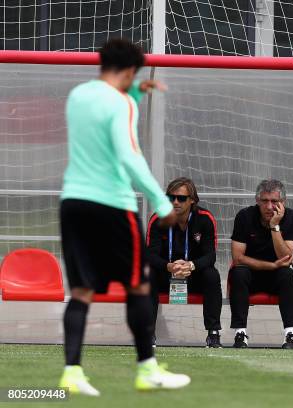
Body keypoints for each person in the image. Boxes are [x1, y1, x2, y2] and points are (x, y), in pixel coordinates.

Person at [59, 39, 190, 396]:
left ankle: (71, 373)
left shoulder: (78, 96)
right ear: (132, 71)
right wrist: (162, 205)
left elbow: (102, 129)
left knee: (82, 291)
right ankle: (146, 369)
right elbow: (128, 154)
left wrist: (133, 94)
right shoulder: (120, 102)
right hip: (112, 204)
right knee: (139, 284)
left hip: (72, 202)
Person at [146, 177, 223, 348]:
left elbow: (210, 256)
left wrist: (191, 266)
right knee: (148, 274)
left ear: (192, 200)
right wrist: (169, 266)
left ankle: (213, 333)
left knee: (212, 275)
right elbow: (150, 256)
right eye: (170, 198)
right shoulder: (158, 218)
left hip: (193, 274)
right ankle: (147, 334)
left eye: (181, 198)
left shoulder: (205, 219)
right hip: (166, 274)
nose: (175, 202)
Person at [229, 179, 293, 349]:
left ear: (283, 203)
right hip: (251, 274)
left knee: (288, 274)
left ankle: (290, 334)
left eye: (274, 201)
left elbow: (286, 257)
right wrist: (272, 266)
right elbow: (238, 257)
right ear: (257, 201)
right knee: (238, 272)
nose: (269, 207)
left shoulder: (291, 217)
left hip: (277, 276)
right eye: (264, 201)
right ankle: (240, 333)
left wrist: (274, 226)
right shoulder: (244, 216)